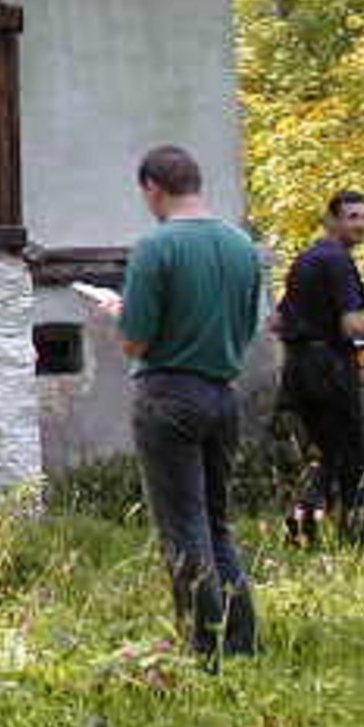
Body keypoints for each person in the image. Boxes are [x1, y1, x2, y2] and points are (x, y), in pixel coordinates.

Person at [94, 146, 265, 665]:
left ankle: (203, 648)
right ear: (196, 182)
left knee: (182, 526)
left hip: (168, 394)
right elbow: (246, 324)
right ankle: (242, 642)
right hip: (223, 393)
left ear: (152, 187)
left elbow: (135, 342)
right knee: (216, 524)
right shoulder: (243, 246)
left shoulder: (155, 247)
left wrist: (118, 313)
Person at [274, 191, 364, 546]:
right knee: (350, 457)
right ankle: (351, 542)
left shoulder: (306, 259)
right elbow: (353, 325)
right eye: (352, 216)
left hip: (297, 366)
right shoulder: (337, 261)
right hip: (328, 367)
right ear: (332, 220)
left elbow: (277, 320)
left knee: (320, 454)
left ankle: (301, 535)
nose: (361, 225)